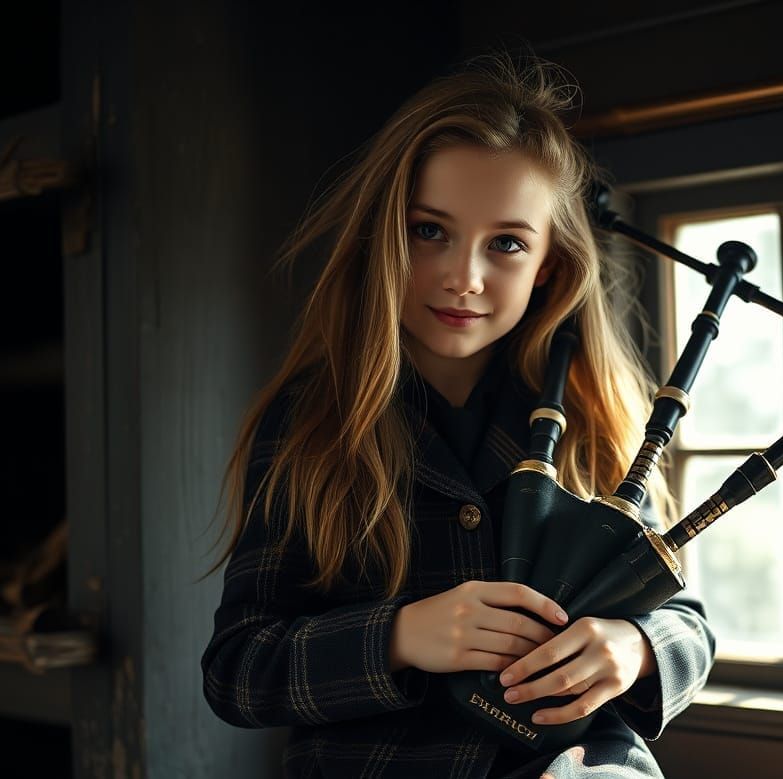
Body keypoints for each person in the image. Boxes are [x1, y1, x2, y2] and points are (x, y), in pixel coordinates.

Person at [200, 49, 715, 779]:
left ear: (550, 266)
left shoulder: (595, 416)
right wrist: (400, 635)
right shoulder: (311, 422)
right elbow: (236, 670)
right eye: (429, 230)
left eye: (505, 243)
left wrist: (635, 647)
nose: (463, 278)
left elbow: (688, 622)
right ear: (385, 231)